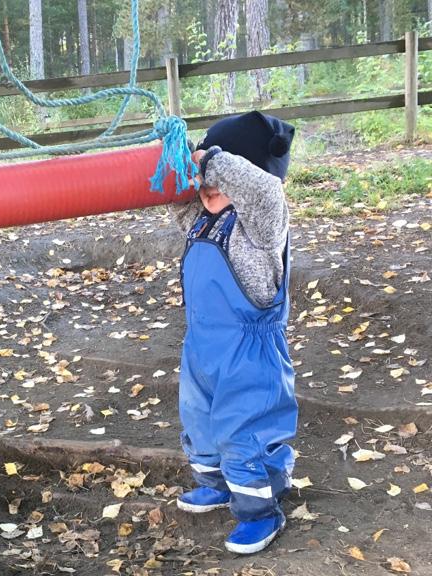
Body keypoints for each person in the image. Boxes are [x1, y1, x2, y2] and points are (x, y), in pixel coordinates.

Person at [170, 111, 298, 555]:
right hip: (203, 348)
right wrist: (181, 161)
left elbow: (263, 191)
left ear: (246, 174)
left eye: (222, 177)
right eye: (203, 181)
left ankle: (260, 509)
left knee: (245, 429)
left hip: (250, 357)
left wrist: (212, 161)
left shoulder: (263, 226)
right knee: (201, 421)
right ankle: (214, 482)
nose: (208, 187)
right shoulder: (202, 220)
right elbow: (176, 197)